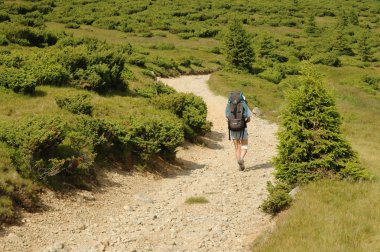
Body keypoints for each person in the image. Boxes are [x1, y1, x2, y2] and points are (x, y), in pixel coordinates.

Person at [225, 92, 254, 171]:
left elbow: (227, 118)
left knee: (237, 147)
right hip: (242, 128)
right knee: (244, 145)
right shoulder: (243, 104)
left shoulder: (229, 105)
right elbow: (249, 119)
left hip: (233, 129)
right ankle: (241, 158)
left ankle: (239, 164)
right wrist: (243, 122)